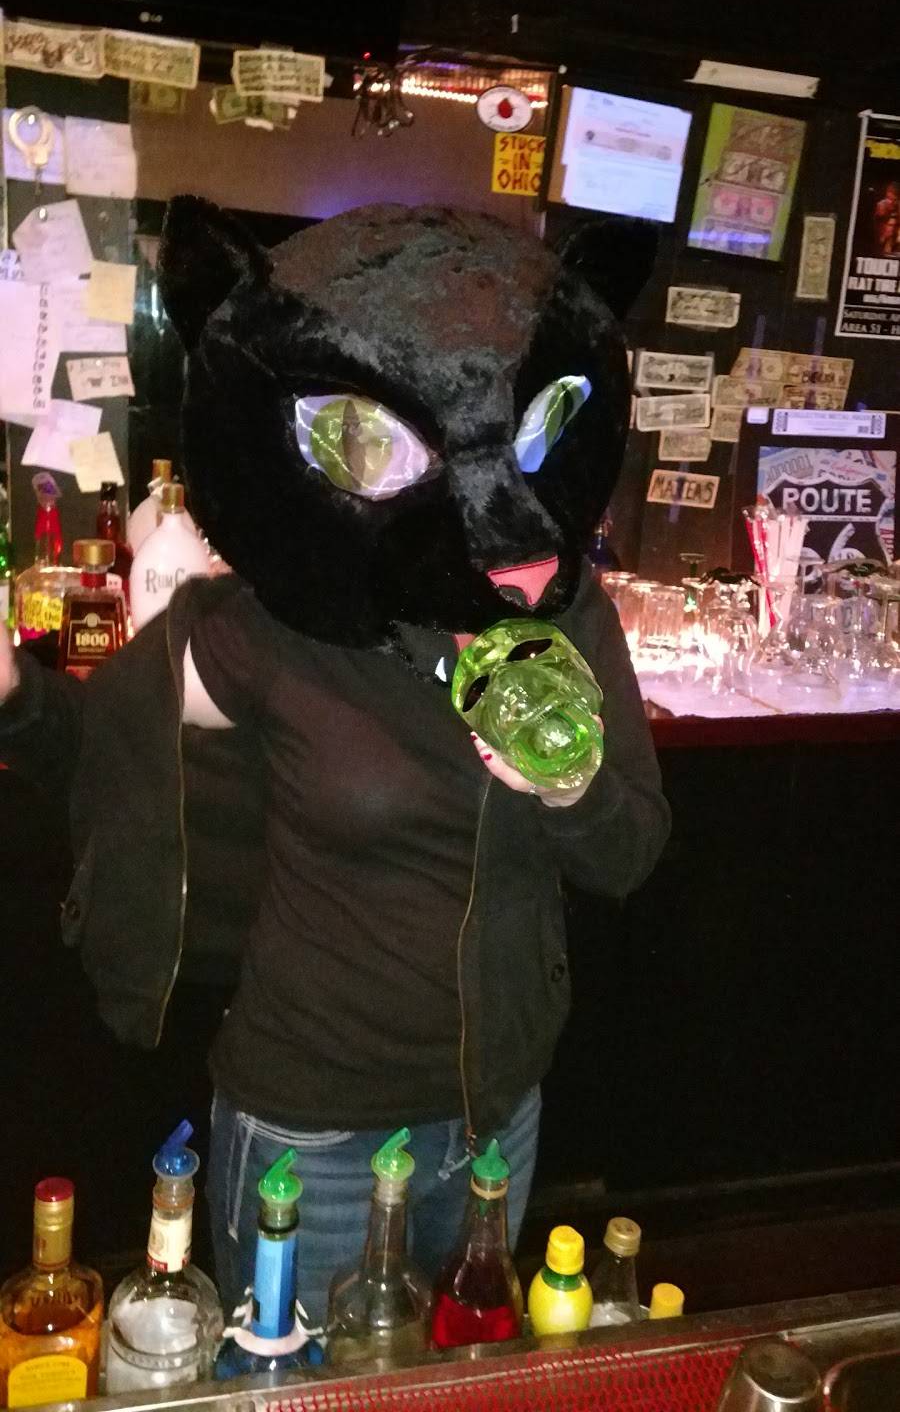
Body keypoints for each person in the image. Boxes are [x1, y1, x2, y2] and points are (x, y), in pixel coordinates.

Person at [0, 201, 669, 1326]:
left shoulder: (566, 617)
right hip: (311, 1129)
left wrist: (569, 789)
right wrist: (15, 697)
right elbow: (117, 730)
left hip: (495, 1117)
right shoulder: (286, 620)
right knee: (296, 1390)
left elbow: (633, 848)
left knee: (456, 1381)